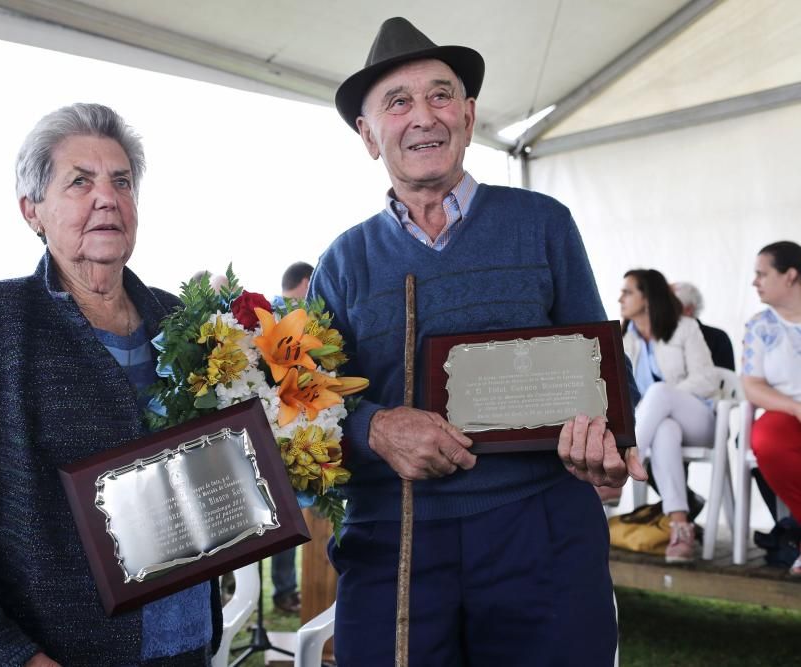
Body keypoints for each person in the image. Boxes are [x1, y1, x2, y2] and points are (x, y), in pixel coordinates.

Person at [308, 17, 645, 665]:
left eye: (440, 95)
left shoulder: (542, 225)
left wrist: (607, 444)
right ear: (367, 135)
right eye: (397, 102)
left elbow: (609, 381)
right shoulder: (342, 263)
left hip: (541, 530)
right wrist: (376, 427)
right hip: (395, 539)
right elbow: (307, 421)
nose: (423, 116)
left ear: (467, 114)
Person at [0, 103, 220, 665]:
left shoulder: (184, 320)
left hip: (187, 646)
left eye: (122, 181)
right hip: (56, 652)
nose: (106, 198)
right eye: (79, 182)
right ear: (32, 211)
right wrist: (4, 657)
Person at [620, 269, 719, 563]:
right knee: (664, 429)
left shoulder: (685, 328)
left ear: (647, 298)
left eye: (627, 292)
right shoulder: (624, 339)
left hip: (699, 419)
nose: (620, 298)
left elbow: (707, 380)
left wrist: (662, 398)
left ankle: (623, 463)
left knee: (661, 393)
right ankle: (680, 527)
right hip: (656, 428)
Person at [741, 240, 801, 575]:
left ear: (790, 275)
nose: (755, 281)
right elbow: (753, 385)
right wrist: (795, 408)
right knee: (767, 441)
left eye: (762, 274)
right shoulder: (760, 326)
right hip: (785, 412)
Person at [268, 260, 315, 614]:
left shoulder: (270, 316)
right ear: (305, 282)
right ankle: (284, 593)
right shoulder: (288, 322)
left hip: (291, 433)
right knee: (285, 524)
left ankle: (285, 592)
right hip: (281, 436)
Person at [671, 281, 735, 371]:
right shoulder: (657, 337)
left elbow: (724, 381)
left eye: (669, 305)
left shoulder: (718, 338)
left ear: (688, 310)